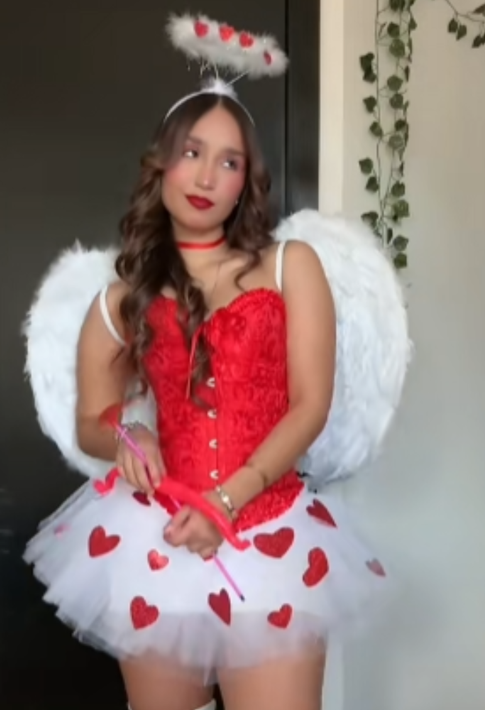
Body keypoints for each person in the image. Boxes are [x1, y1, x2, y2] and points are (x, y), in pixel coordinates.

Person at [24, 16, 393, 710]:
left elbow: (310, 405)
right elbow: (91, 422)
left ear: (246, 181)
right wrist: (129, 433)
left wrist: (227, 503)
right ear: (160, 164)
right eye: (192, 152)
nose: (205, 176)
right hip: (158, 538)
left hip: (270, 535)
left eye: (229, 162)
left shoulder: (291, 265)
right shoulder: (122, 297)